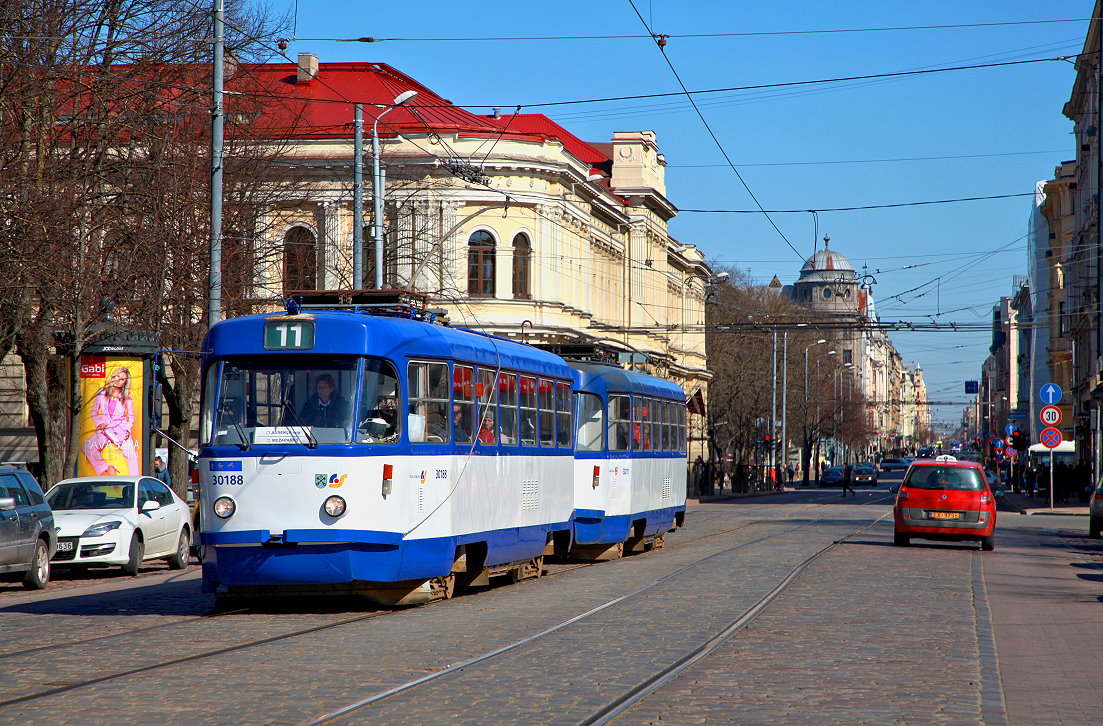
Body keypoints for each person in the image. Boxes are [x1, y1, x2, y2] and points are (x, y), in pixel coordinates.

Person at [82, 366, 140, 475]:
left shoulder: (126, 396)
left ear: (125, 383)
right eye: (117, 376)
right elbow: (93, 412)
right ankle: (108, 469)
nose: (118, 380)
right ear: (113, 376)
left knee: (132, 457)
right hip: (105, 430)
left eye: (122, 379)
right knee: (87, 448)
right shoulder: (102, 392)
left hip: (121, 431)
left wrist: (128, 429)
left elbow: (131, 416)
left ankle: (135, 482)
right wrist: (100, 424)